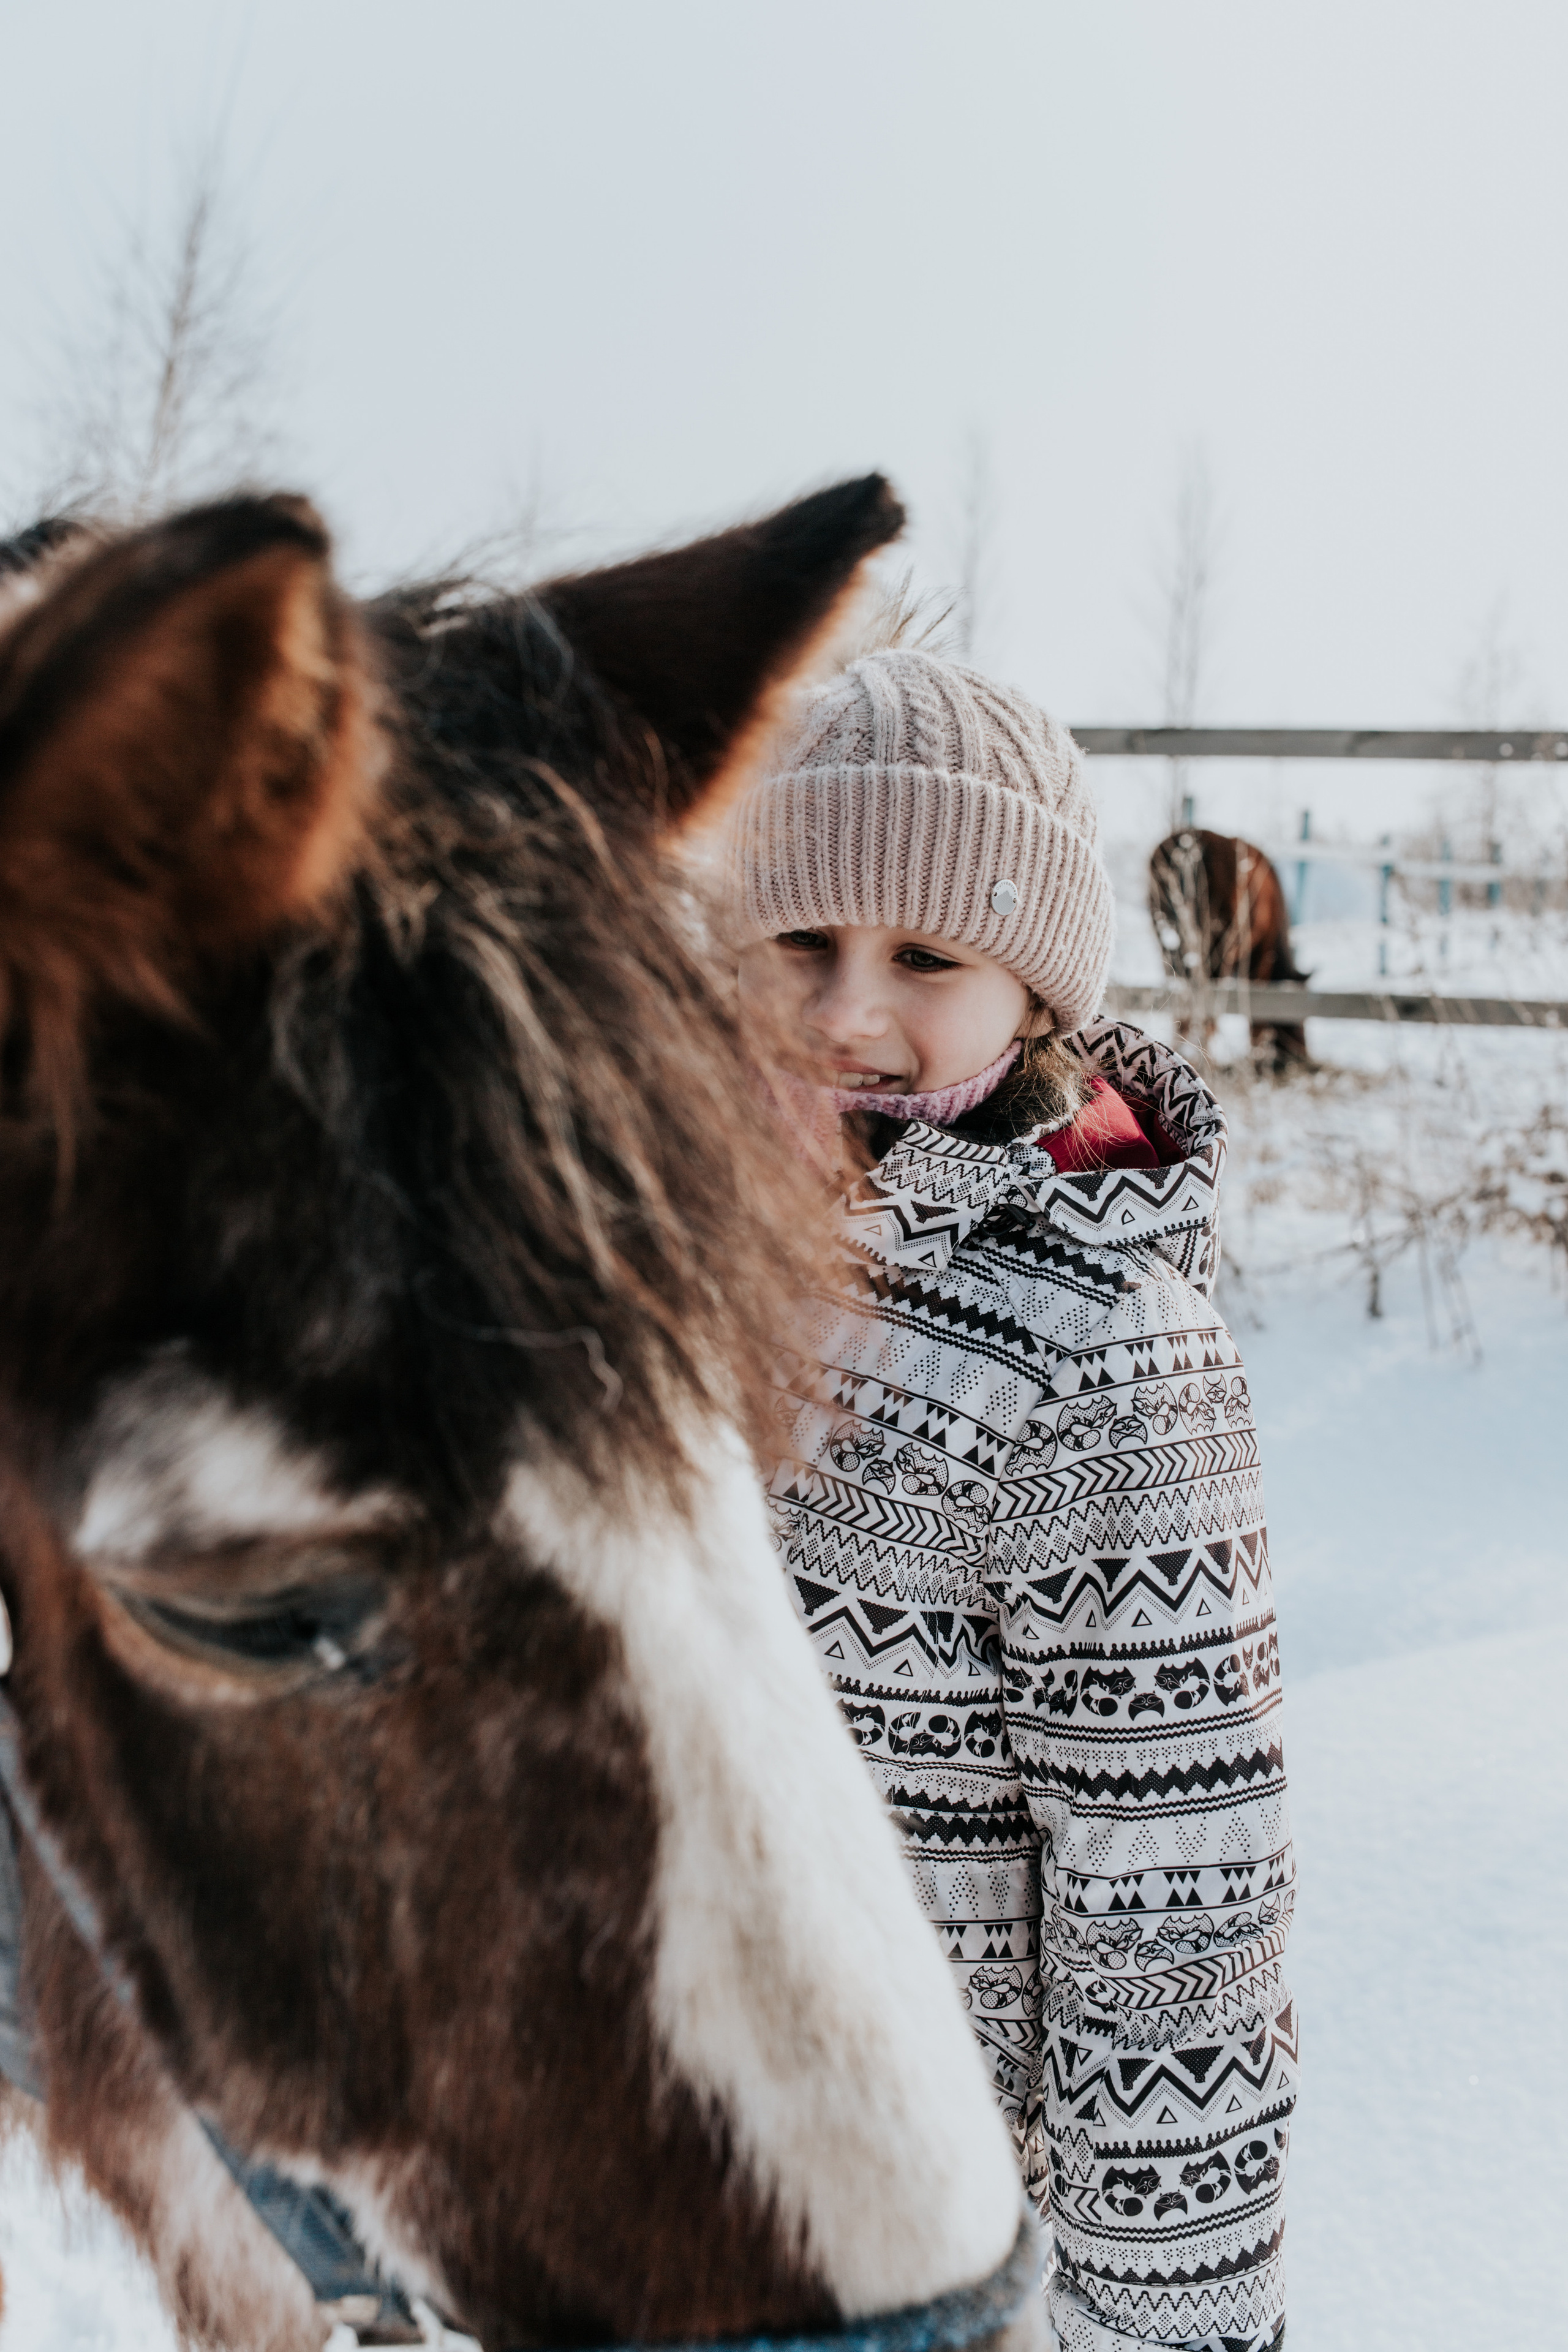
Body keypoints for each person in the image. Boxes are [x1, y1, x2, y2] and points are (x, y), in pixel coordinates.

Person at [726, 651, 1295, 2352]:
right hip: (643, 2201)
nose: (848, 1012)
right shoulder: (668, 1281)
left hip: (924, 2242)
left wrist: (1170, 2328)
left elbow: (1172, 1894)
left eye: (924, 956)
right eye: (802, 946)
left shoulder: (1105, 1351)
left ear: (1032, 993)